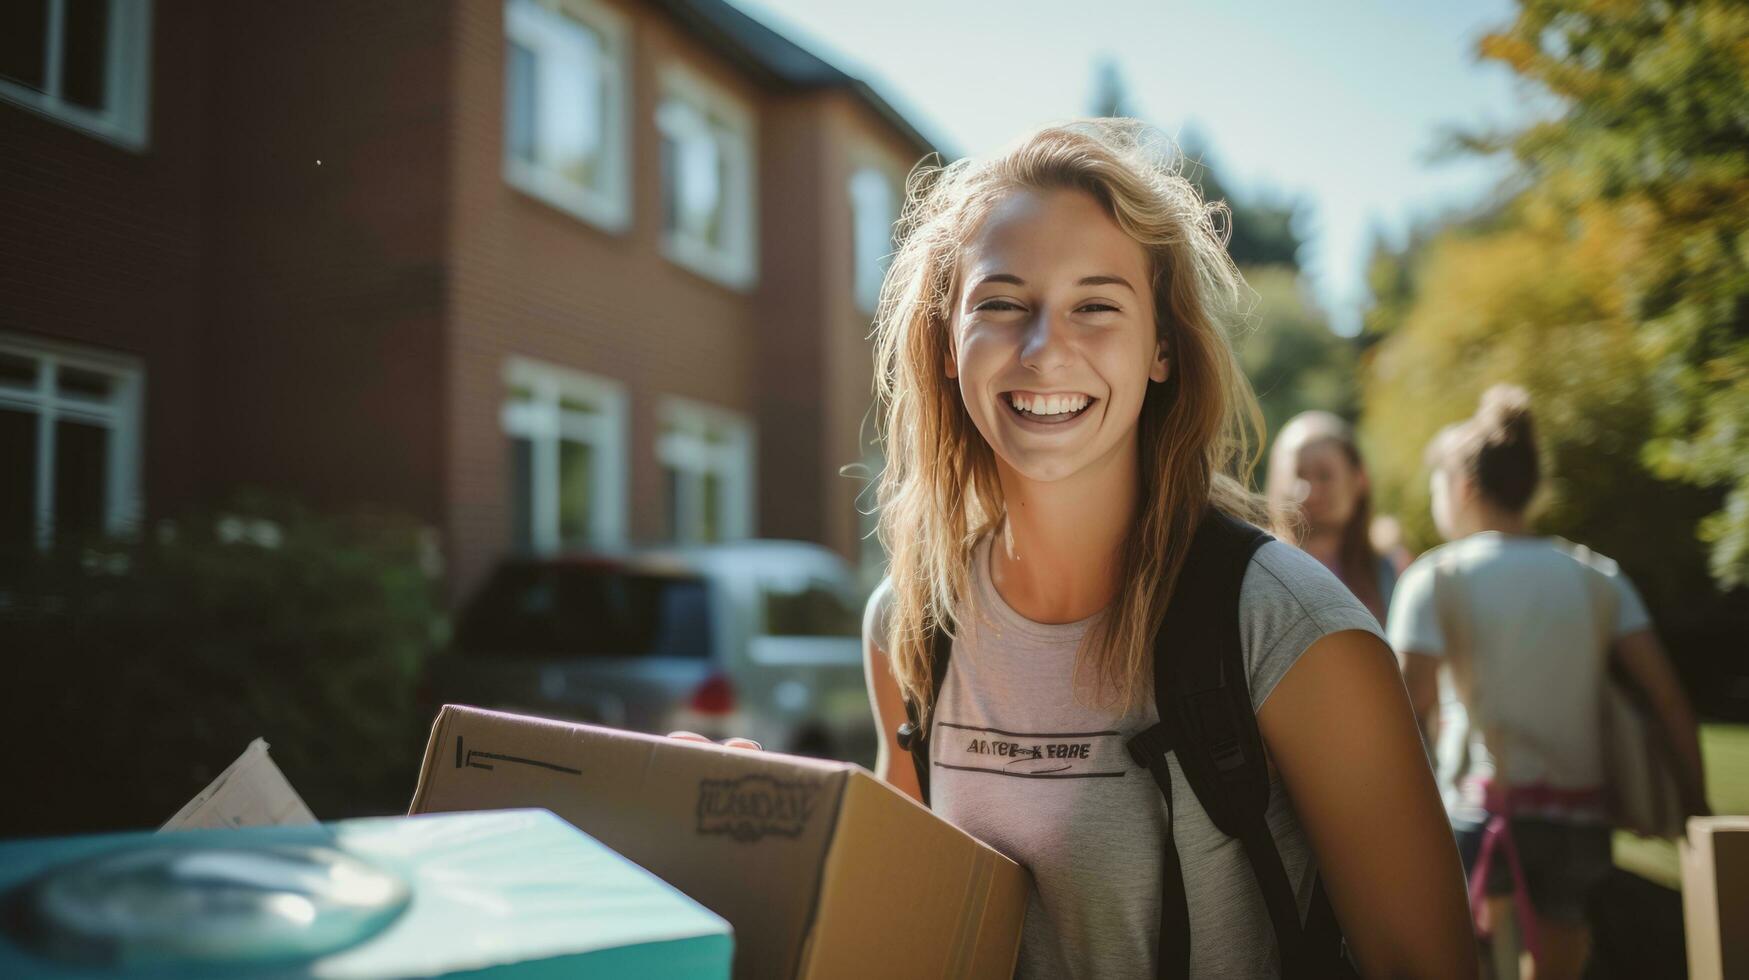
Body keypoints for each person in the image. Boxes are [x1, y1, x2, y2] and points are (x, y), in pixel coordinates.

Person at [849, 118, 1471, 978]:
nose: (1043, 349)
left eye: (1095, 305)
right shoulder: (911, 621)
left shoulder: (1290, 632)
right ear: (945, 344)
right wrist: (757, 833)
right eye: (999, 303)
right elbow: (900, 928)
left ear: (1162, 349)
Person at [1388, 385, 1708, 980]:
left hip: (1479, 816)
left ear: (1460, 487)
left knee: (1473, 964)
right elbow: (1666, 699)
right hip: (1578, 821)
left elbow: (1406, 709)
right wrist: (1695, 803)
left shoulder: (1436, 578)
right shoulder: (1595, 576)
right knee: (1559, 964)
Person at [1265, 411, 1398, 624]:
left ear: (1359, 478)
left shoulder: (1386, 570)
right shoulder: (1261, 573)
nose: (1310, 491)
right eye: (1298, 474)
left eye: (1324, 475)